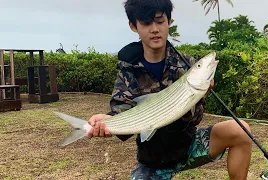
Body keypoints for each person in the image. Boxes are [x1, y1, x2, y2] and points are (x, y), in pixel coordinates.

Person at [87, 0, 252, 179]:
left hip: (189, 147)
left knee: (241, 130)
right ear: (133, 26)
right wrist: (108, 120)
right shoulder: (128, 70)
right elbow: (122, 110)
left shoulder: (186, 64)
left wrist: (199, 95)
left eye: (159, 21)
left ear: (169, 22)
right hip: (153, 162)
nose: (154, 29)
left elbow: (195, 119)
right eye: (146, 23)